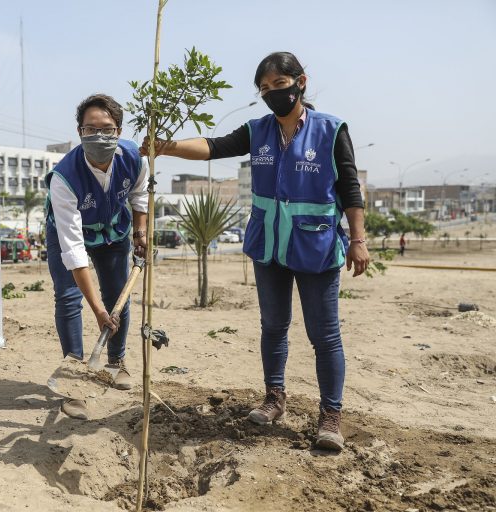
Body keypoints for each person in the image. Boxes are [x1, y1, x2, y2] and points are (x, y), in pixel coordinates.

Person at [141, 52, 370, 451]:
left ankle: (330, 414)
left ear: (301, 82)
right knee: (273, 326)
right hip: (269, 246)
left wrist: (358, 239)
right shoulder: (258, 130)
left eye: (279, 85)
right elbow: (214, 146)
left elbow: (350, 188)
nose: (271, 94)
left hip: (315, 247)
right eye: (264, 89)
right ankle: (274, 397)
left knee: (325, 335)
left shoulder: (331, 130)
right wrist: (166, 147)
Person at [45, 93, 149, 420]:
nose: (99, 136)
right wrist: (99, 311)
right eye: (90, 129)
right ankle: (74, 373)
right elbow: (75, 253)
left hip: (114, 231)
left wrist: (140, 233)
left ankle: (116, 363)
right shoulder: (65, 177)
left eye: (107, 128)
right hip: (70, 231)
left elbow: (140, 194)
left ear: (119, 130)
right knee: (67, 297)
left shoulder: (136, 158)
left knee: (120, 296)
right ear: (80, 133)